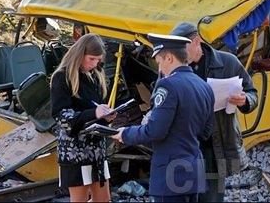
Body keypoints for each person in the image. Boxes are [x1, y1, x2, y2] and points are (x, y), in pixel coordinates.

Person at [112, 33, 214, 202]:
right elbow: (206, 131)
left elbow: (155, 130)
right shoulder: (204, 86)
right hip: (194, 171)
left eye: (159, 62)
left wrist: (125, 134)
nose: (159, 69)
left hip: (170, 174)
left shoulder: (168, 85)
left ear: (168, 58)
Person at [170, 22, 258, 203]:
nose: (179, 54)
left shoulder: (228, 63)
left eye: (182, 48)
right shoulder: (172, 66)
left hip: (214, 145)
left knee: (211, 198)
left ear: (197, 42)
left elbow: (252, 94)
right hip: (184, 145)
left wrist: (244, 100)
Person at [50, 33, 116, 202]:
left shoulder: (95, 76)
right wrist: (95, 113)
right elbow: (62, 117)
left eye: (97, 60)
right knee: (79, 199)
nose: (94, 64)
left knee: (103, 199)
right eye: (91, 59)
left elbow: (94, 107)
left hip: (96, 150)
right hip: (75, 151)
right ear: (80, 54)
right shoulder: (61, 77)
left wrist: (105, 117)